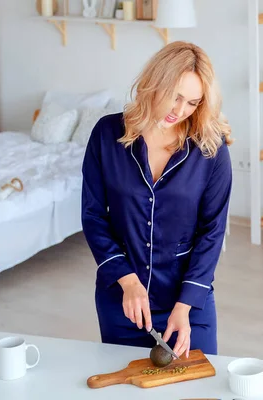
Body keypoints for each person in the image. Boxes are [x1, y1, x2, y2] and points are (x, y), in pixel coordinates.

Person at [81, 41, 232, 358]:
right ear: (154, 82)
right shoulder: (107, 135)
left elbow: (212, 231)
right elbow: (94, 216)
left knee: (199, 390)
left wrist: (186, 304)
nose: (180, 111)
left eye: (192, 102)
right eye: (175, 96)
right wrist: (128, 281)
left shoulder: (211, 148)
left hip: (187, 305)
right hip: (123, 300)